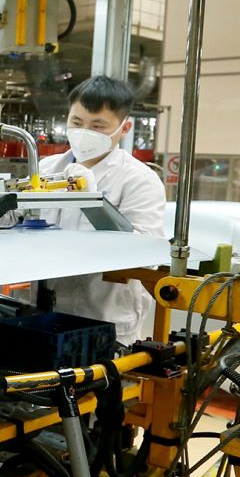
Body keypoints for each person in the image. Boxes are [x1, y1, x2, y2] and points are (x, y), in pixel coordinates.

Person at [39, 76, 167, 344]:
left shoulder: (139, 180)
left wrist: (93, 203)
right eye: (76, 123)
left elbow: (145, 253)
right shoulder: (46, 169)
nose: (84, 132)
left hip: (105, 321)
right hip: (43, 315)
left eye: (98, 126)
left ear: (124, 128)